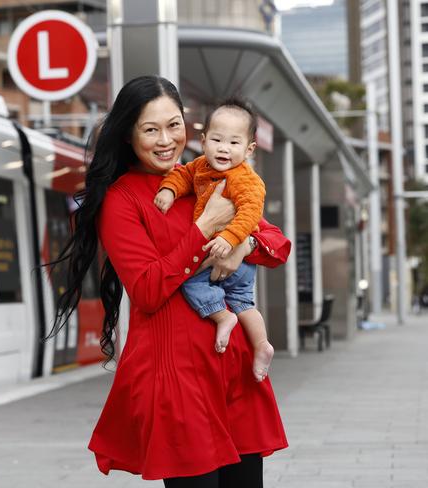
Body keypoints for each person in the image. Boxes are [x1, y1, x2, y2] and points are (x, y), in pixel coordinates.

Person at [49, 76, 289, 487]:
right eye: (150, 129)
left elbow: (276, 244)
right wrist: (206, 227)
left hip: (234, 370)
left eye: (174, 125)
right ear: (128, 134)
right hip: (177, 380)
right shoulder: (121, 200)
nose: (166, 140)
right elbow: (146, 289)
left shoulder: (205, 176)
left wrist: (243, 244)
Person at [153, 98, 274, 382]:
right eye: (217, 139)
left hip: (233, 254)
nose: (224, 148)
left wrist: (233, 241)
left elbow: (250, 213)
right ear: (204, 140)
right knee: (243, 303)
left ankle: (225, 319)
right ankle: (262, 345)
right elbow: (182, 175)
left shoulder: (246, 179)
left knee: (192, 281)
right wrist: (170, 191)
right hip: (215, 252)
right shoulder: (200, 166)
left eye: (234, 143)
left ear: (249, 149)